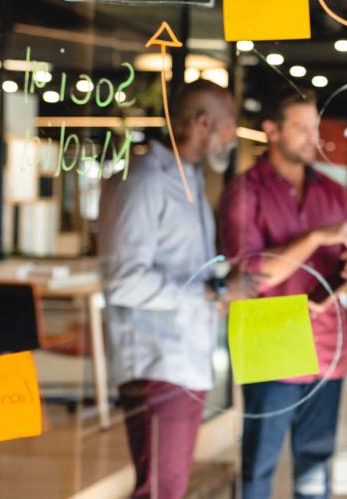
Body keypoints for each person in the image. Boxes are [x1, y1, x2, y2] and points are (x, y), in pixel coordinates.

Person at [218, 85, 347, 499]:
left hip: (326, 346)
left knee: (316, 469)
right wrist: (318, 235)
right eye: (301, 128)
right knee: (258, 468)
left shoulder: (334, 193)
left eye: (315, 128)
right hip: (271, 342)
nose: (313, 138)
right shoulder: (245, 192)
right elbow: (254, 274)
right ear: (271, 130)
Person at [99, 80, 244, 499]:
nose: (233, 136)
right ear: (203, 123)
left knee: (167, 488)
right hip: (156, 362)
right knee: (160, 491)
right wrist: (208, 292)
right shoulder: (145, 180)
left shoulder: (190, 182)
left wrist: (216, 285)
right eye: (230, 124)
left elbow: (188, 271)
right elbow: (124, 280)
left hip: (183, 362)